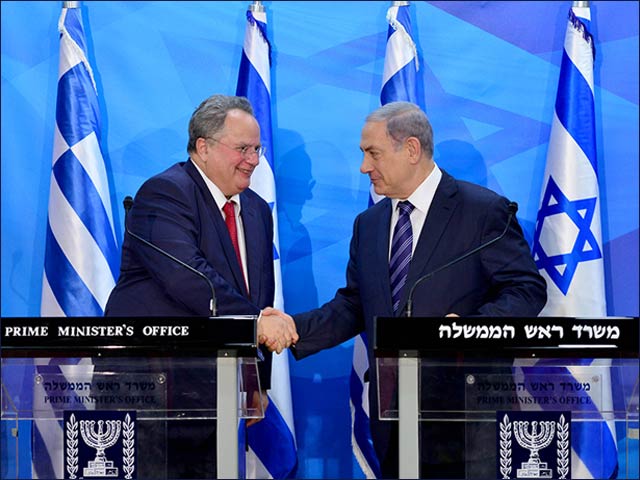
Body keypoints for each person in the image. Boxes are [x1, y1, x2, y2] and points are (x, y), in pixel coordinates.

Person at [263, 101, 547, 478]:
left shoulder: (482, 211)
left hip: (469, 415)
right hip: (394, 417)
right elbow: (354, 305)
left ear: (411, 149)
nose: (364, 166)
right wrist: (293, 328)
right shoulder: (370, 223)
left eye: (373, 153)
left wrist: (468, 330)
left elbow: (526, 289)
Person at [105, 94, 297, 478]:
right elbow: (189, 277)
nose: (254, 160)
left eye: (257, 149)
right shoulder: (164, 194)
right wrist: (256, 321)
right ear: (203, 147)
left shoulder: (257, 210)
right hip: (148, 395)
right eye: (242, 148)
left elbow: (254, 296)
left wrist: (253, 382)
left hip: (217, 397)